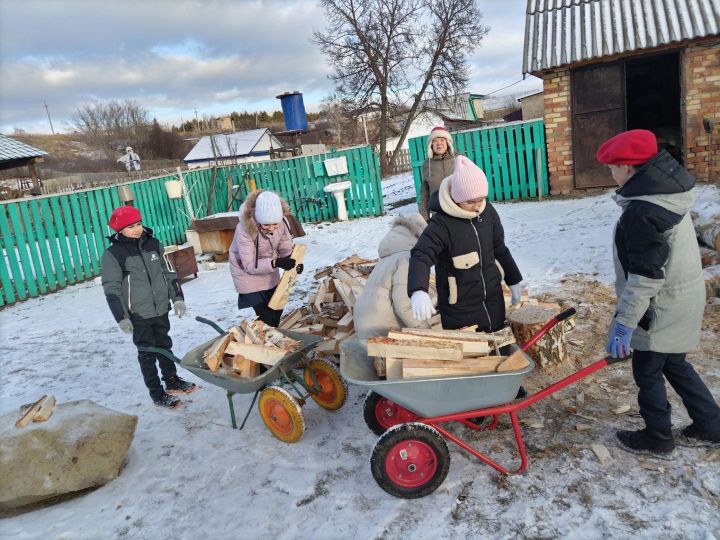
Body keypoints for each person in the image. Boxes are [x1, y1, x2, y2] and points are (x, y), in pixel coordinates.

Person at [597, 129, 720, 454]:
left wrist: (625, 323)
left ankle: (658, 436)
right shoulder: (666, 192)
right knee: (675, 363)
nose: (612, 175)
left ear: (626, 167)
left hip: (661, 308)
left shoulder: (642, 211)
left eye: (612, 168)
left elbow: (645, 278)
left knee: (647, 371)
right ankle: (711, 424)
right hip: (685, 297)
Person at [407, 155, 523, 332]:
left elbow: (500, 248)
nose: (477, 206)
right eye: (470, 202)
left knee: (499, 347)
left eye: (481, 199)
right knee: (473, 355)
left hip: (493, 300)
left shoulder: (488, 213)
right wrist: (418, 290)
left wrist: (513, 279)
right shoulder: (442, 224)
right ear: (456, 196)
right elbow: (421, 255)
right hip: (459, 308)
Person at [101, 206, 196, 410]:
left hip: (161, 308)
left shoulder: (153, 244)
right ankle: (156, 393)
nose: (136, 229)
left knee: (164, 344)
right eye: (129, 227)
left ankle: (171, 380)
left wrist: (177, 298)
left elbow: (168, 272)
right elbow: (112, 289)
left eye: (137, 224)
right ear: (119, 230)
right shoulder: (114, 254)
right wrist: (121, 317)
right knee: (147, 353)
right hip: (138, 314)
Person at [229, 190, 303, 327]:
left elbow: (285, 248)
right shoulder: (244, 229)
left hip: (269, 270)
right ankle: (262, 342)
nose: (271, 228)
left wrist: (293, 262)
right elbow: (249, 265)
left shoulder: (283, 222)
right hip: (246, 273)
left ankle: (265, 337)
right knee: (266, 315)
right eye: (266, 225)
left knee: (276, 310)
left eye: (275, 224)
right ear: (258, 218)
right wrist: (276, 262)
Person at [354, 213, 433, 339]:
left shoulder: (387, 259)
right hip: (382, 329)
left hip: (363, 325)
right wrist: (428, 332)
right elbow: (404, 305)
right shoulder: (407, 259)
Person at [419, 126, 455, 220]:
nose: (439, 144)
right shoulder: (427, 164)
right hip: (438, 215)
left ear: (448, 143)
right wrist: (424, 219)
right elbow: (424, 195)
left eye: (442, 140)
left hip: (459, 212)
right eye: (435, 141)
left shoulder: (459, 159)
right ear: (431, 145)